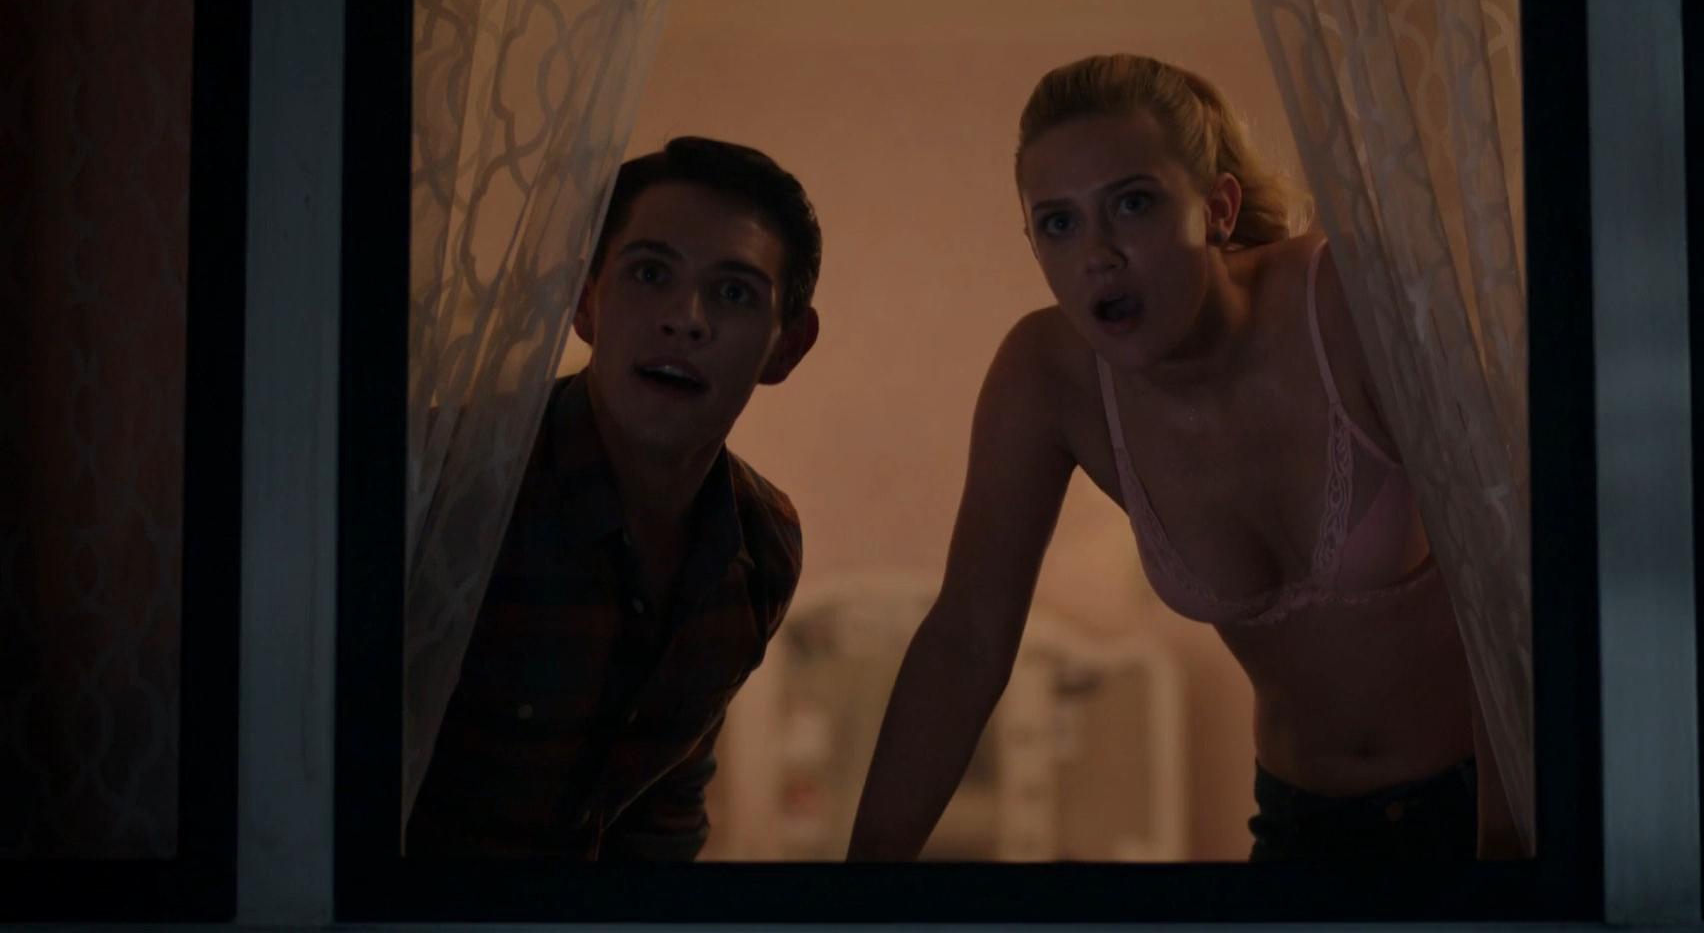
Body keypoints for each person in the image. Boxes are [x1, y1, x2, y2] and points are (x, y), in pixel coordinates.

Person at [847, 55, 1518, 862]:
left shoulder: (1350, 301)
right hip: (1299, 825)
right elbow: (966, 640)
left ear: (1217, 208)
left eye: (1132, 204)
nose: (1097, 255)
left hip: (1489, 799)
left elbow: (1512, 578)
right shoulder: (1048, 377)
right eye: (1058, 224)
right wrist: (857, 892)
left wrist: (1510, 854)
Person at [407, 137, 822, 859]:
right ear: (584, 302)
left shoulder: (760, 544)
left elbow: (664, 800)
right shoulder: (450, 483)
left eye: (734, 292)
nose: (686, 318)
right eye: (650, 273)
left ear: (786, 348)